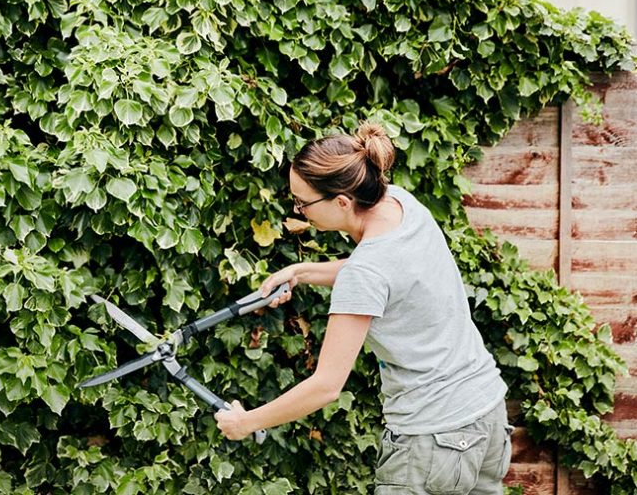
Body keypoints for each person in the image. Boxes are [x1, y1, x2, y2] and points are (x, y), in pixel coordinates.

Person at [214, 122, 513, 494]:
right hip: (486, 414)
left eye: (302, 202)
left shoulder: (365, 272)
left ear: (342, 201)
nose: (298, 210)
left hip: (432, 443)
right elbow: (389, 275)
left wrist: (248, 422)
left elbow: (326, 386)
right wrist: (302, 271)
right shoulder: (402, 205)